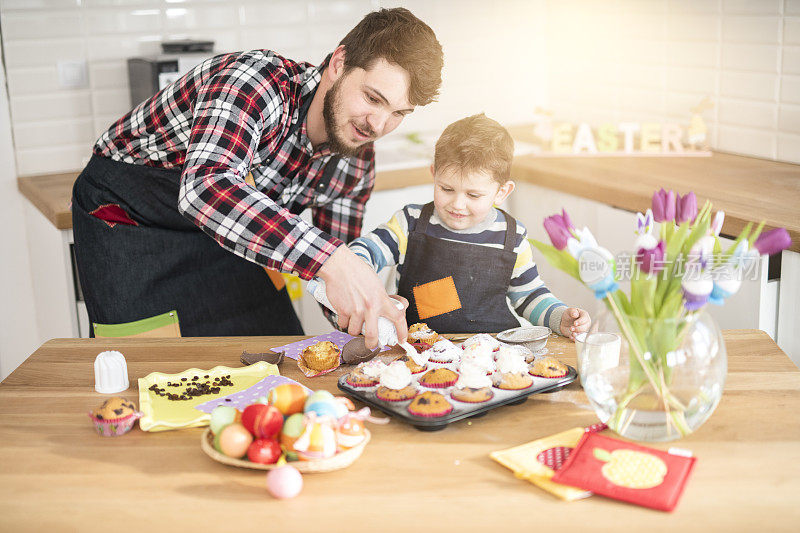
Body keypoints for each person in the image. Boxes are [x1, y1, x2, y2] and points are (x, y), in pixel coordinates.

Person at [71, 8, 443, 347]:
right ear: (339, 62)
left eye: (399, 113)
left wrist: (372, 305)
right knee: (151, 374)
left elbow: (329, 277)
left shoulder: (355, 159)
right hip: (130, 222)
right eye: (373, 98)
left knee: (271, 359)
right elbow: (205, 188)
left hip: (227, 235)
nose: (378, 125)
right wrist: (335, 260)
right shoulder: (255, 83)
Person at [347, 114, 591, 338]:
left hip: (494, 357)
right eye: (446, 189)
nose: (458, 204)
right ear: (434, 173)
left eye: (473, 195)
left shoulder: (512, 237)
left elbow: (528, 296)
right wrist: (361, 278)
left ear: (501, 192)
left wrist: (560, 318)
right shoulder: (410, 222)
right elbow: (362, 252)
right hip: (421, 356)